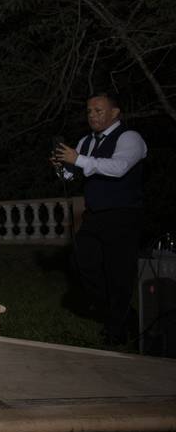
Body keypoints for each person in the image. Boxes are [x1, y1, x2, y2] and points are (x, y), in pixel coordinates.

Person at [53, 92, 147, 345]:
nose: (92, 115)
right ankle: (122, 315)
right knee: (82, 263)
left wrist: (78, 159)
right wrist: (62, 166)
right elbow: (71, 176)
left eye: (98, 110)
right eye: (89, 111)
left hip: (123, 215)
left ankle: (117, 331)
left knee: (118, 273)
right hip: (94, 217)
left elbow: (118, 168)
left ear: (115, 113)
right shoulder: (85, 141)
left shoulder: (130, 138)